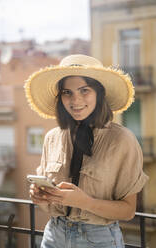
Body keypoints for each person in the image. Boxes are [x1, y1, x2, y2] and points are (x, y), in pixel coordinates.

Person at [24, 54, 148, 248]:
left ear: (99, 93)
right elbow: (46, 202)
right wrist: (39, 196)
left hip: (98, 240)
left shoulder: (122, 140)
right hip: (53, 236)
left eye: (84, 90)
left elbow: (128, 211)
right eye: (67, 92)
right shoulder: (52, 137)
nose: (75, 100)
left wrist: (85, 202)